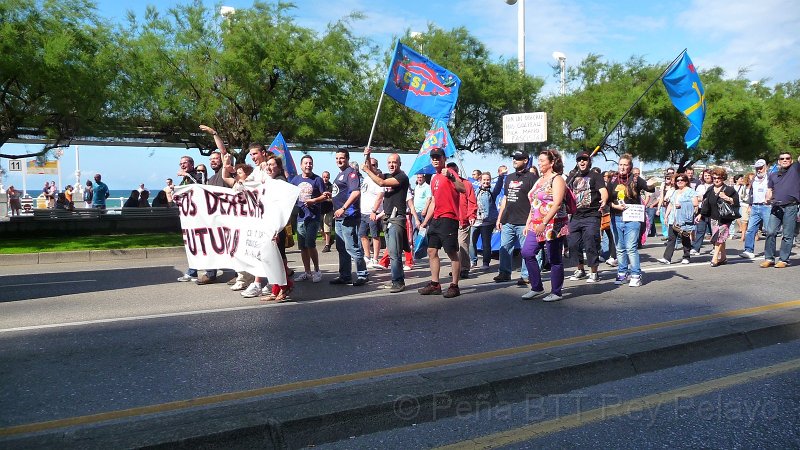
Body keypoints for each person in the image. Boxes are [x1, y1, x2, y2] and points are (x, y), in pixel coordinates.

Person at [521, 150, 570, 302]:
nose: (539, 163)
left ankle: (556, 291)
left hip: (553, 224)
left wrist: (544, 223)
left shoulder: (557, 179)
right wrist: (528, 221)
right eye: (539, 160)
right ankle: (537, 287)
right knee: (527, 252)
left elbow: (557, 204)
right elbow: (534, 202)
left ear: (552, 163)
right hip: (536, 225)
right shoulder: (539, 180)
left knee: (554, 258)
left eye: (542, 160)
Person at [418, 148, 467, 298]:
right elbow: (433, 201)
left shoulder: (450, 173)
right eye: (433, 157)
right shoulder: (433, 178)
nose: (435, 160)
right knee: (431, 251)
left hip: (449, 218)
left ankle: (454, 285)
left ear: (444, 158)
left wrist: (452, 177)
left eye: (438, 157)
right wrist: (425, 222)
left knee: (452, 253)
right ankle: (435, 284)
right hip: (436, 219)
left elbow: (463, 188)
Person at [363, 149, 411, 293]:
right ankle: (395, 279)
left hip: (397, 218)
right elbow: (375, 173)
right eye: (389, 162)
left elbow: (381, 182)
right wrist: (368, 156)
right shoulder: (388, 174)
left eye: (394, 162)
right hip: (388, 217)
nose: (391, 165)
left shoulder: (402, 177)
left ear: (399, 163)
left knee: (395, 253)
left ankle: (398, 282)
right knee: (391, 252)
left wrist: (366, 170)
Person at [608, 154, 655, 287]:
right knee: (620, 248)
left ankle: (635, 274)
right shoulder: (612, 180)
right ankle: (622, 272)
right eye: (620, 164)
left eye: (625, 165)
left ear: (630, 167)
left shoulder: (635, 179)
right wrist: (615, 206)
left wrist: (651, 185)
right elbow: (607, 200)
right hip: (616, 216)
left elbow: (648, 188)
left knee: (630, 247)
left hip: (632, 217)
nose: (622, 167)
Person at [495, 150, 538, 285]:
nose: (515, 160)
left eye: (518, 158)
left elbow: (535, 201)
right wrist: (499, 218)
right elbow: (506, 198)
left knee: (526, 251)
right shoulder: (509, 177)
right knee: (505, 248)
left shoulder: (532, 177)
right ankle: (504, 273)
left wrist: (529, 221)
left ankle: (526, 275)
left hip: (524, 221)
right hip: (508, 220)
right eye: (514, 158)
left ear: (525, 160)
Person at [566, 151, 608, 283]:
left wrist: (604, 200)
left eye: (584, 159)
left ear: (589, 162)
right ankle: (580, 269)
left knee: (591, 242)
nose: (582, 162)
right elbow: (565, 190)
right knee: (573, 244)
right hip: (575, 216)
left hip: (591, 215)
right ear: (577, 162)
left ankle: (594, 272)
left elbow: (603, 191)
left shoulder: (595, 176)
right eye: (579, 160)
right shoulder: (572, 176)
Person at [329, 150, 368, 286]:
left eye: (342, 158)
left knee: (351, 247)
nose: (339, 161)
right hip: (339, 217)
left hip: (348, 216)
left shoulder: (351, 173)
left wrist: (343, 208)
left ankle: (362, 275)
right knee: (341, 247)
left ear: (347, 159)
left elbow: (356, 192)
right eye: (337, 158)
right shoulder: (341, 174)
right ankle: (345, 275)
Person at [291, 155, 327, 284]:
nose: (308, 165)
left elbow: (325, 196)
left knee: (310, 243)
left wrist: (314, 201)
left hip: (313, 217)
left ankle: (317, 270)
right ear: (301, 165)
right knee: (302, 247)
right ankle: (307, 272)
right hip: (301, 217)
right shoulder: (295, 180)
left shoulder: (317, 180)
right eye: (306, 163)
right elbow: (289, 195)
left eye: (310, 163)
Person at [761, 152, 800, 268]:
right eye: (782, 158)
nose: (785, 160)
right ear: (778, 161)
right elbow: (769, 190)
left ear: (791, 160)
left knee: (787, 235)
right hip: (776, 207)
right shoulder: (773, 175)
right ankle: (769, 258)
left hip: (791, 206)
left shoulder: (795, 170)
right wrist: (767, 198)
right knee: (770, 232)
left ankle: (783, 259)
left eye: (787, 158)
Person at [697, 167, 740, 267]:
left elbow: (736, 202)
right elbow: (705, 203)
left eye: (719, 178)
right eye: (715, 177)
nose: (716, 180)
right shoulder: (710, 189)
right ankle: (723, 257)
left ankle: (715, 258)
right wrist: (701, 214)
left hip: (725, 218)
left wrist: (727, 198)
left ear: (723, 178)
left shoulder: (729, 189)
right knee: (720, 238)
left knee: (718, 237)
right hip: (713, 217)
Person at [657, 174, 698, 265]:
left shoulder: (690, 191)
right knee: (671, 238)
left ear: (686, 181)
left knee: (685, 238)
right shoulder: (675, 192)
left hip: (684, 219)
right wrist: (666, 216)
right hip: (673, 218)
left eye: (682, 180)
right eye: (677, 180)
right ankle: (667, 258)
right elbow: (671, 204)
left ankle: (686, 257)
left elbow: (695, 205)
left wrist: (682, 205)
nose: (679, 181)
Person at [447, 162, 477, 279]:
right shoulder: (446, 184)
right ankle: (456, 267)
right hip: (449, 220)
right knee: (452, 246)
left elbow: (472, 200)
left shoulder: (466, 184)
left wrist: (471, 215)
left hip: (462, 219)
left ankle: (464, 268)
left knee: (462, 244)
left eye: (453, 171)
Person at [472, 171, 503, 269]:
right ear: (480, 180)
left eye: (488, 180)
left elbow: (498, 188)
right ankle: (473, 261)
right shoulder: (476, 191)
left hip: (487, 221)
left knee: (486, 243)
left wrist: (501, 177)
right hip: (476, 221)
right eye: (484, 180)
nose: (486, 182)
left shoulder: (492, 191)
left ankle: (486, 263)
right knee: (471, 242)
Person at [741, 160, 770, 259]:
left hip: (767, 207)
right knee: (750, 230)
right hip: (755, 206)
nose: (759, 170)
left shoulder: (770, 177)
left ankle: (769, 252)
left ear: (765, 167)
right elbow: (751, 193)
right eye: (757, 168)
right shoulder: (754, 179)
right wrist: (750, 205)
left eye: (761, 167)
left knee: (769, 231)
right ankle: (748, 250)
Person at [359, 157, 385, 269]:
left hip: (373, 212)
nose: (370, 166)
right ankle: (367, 256)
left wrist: (374, 211)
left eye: (373, 165)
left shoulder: (378, 179)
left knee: (375, 235)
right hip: (363, 212)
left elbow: (380, 196)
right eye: (369, 164)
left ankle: (375, 258)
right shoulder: (365, 179)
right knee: (362, 234)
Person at [691, 169, 713, 255]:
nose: (707, 177)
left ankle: (716, 247)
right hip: (701, 211)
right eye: (705, 175)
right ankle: (696, 248)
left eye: (708, 175)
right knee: (700, 230)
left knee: (713, 231)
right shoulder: (700, 186)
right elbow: (697, 197)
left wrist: (703, 198)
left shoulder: (715, 186)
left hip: (712, 211)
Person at [320, 171, 334, 253]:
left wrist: (327, 199)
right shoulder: (320, 186)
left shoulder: (331, 187)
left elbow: (334, 199)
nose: (325, 179)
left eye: (327, 177)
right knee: (321, 229)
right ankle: (329, 240)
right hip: (320, 209)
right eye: (324, 177)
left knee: (327, 228)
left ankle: (327, 245)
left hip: (328, 209)